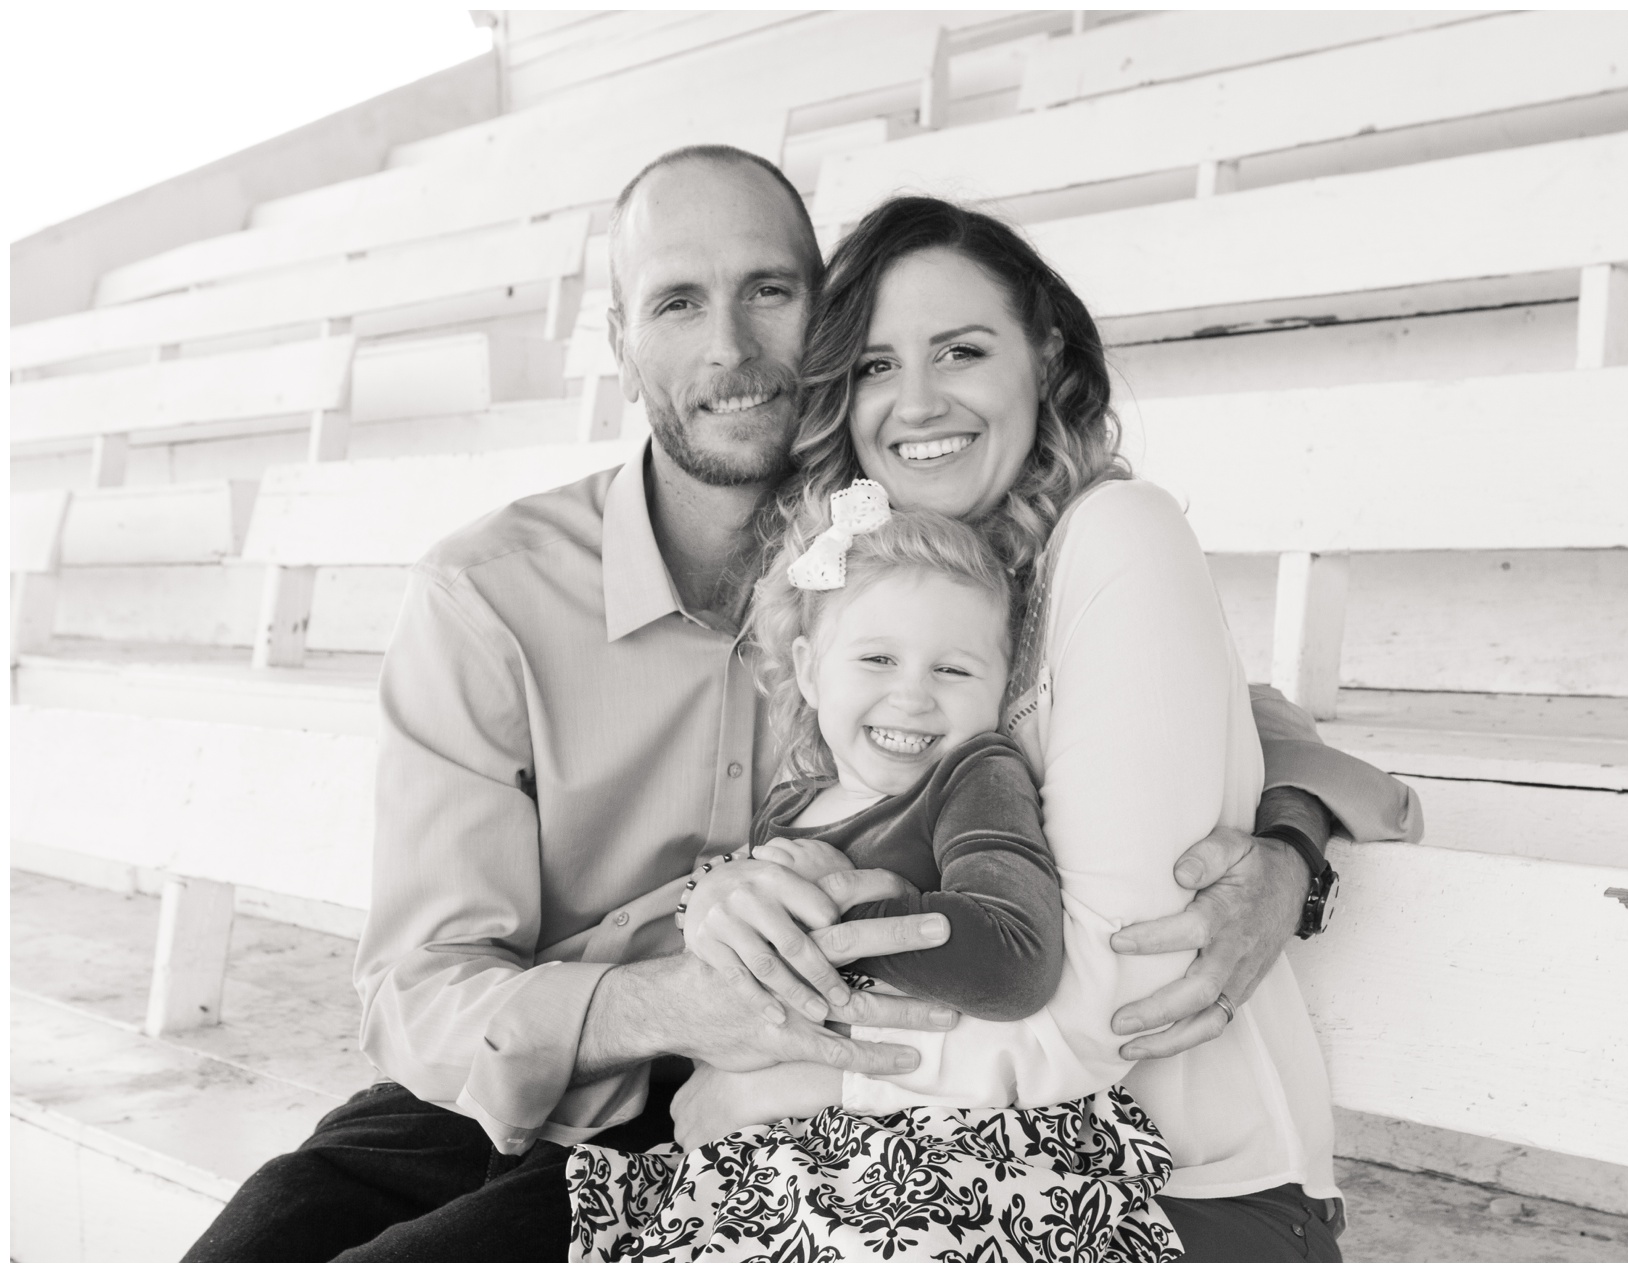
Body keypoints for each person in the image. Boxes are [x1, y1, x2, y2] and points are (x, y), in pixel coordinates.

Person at [183, 148, 1420, 1263]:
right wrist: (675, 1006)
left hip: (818, 1107)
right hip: (560, 1069)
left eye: (769, 290)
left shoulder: (939, 574)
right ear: (621, 338)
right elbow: (418, 985)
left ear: (816, 319)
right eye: (678, 300)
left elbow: (1194, 705)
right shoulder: (494, 594)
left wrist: (1285, 839)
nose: (730, 346)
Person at [578, 193, 1426, 1263]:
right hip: (907, 1173)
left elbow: (1110, 999)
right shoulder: (896, 598)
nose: (917, 401)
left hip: (1163, 1193)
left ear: (1048, 361)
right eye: (877, 366)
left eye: (962, 351)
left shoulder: (1116, 533)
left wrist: (801, 1076)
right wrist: (732, 896)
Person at [571, 490, 1180, 1261]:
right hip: (782, 1163)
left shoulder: (971, 775)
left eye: (954, 668)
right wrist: (732, 897)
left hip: (948, 1156)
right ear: (811, 671)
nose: (913, 693)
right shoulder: (791, 802)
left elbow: (1017, 962)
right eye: (877, 658)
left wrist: (850, 912)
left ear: (1001, 691)